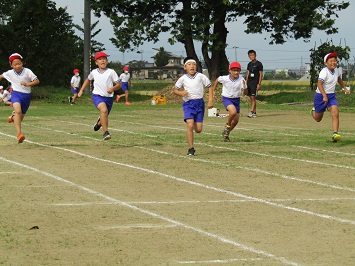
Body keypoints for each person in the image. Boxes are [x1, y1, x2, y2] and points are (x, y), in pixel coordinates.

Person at [78, 51, 121, 140]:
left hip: (108, 98)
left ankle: (98, 124)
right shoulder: (94, 72)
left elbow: (118, 85)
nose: (102, 61)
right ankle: (106, 133)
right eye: (100, 59)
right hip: (97, 96)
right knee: (104, 110)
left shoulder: (111, 72)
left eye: (104, 59)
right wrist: (81, 90)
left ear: (107, 61)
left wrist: (112, 88)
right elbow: (88, 80)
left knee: (104, 115)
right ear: (96, 62)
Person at [173, 57, 212, 156]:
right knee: (190, 124)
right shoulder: (183, 78)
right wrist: (181, 93)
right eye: (189, 64)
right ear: (185, 67)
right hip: (188, 104)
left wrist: (211, 100)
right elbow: (175, 90)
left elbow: (210, 86)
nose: (192, 66)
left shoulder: (201, 76)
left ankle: (194, 123)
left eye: (193, 64)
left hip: (199, 103)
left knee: (198, 129)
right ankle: (191, 148)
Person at [0, 53, 40, 143]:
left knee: (19, 118)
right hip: (16, 94)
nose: (17, 66)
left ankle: (13, 117)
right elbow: (1, 76)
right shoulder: (9, 73)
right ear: (11, 65)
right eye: (15, 64)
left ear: (22, 63)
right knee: (18, 111)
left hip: (26, 96)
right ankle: (19, 134)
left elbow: (37, 81)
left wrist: (27, 84)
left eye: (19, 63)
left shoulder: (27, 71)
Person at [311, 52, 350, 142]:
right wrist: (324, 96)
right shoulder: (324, 72)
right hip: (320, 96)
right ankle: (313, 111)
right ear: (326, 63)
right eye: (331, 61)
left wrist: (345, 88)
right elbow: (319, 84)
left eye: (335, 61)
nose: (333, 63)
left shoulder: (336, 70)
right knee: (318, 119)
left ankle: (335, 134)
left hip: (331, 96)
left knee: (335, 113)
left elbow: (339, 79)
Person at [209, 62, 246, 142]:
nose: (236, 72)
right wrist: (213, 91)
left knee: (235, 121)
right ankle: (228, 125)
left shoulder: (242, 79)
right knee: (233, 112)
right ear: (229, 70)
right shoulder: (225, 78)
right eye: (234, 70)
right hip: (227, 98)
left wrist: (244, 87)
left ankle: (226, 133)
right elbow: (217, 80)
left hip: (236, 99)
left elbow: (245, 92)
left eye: (238, 70)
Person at [245, 49, 263, 118]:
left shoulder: (259, 64)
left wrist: (259, 84)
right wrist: (245, 83)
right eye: (250, 55)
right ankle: (254, 112)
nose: (251, 56)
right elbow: (248, 73)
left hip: (255, 82)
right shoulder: (249, 64)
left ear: (255, 55)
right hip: (249, 82)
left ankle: (251, 111)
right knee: (251, 97)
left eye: (252, 55)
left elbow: (261, 74)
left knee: (253, 97)